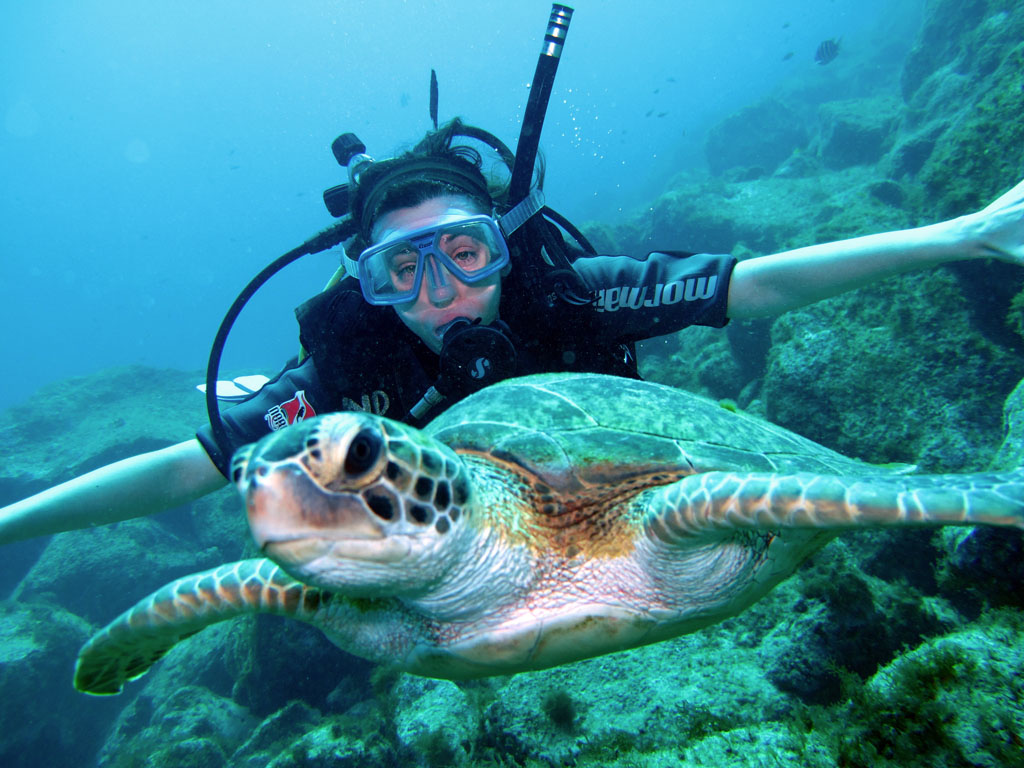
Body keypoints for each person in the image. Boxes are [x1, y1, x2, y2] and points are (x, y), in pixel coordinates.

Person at [2, 118, 1023, 547]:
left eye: (465, 252)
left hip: (626, 496)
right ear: (366, 286)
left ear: (506, 246)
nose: (443, 291)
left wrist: (967, 235)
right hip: (456, 527)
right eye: (402, 267)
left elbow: (753, 286)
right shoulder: (351, 369)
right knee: (247, 438)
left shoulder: (565, 294)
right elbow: (191, 469)